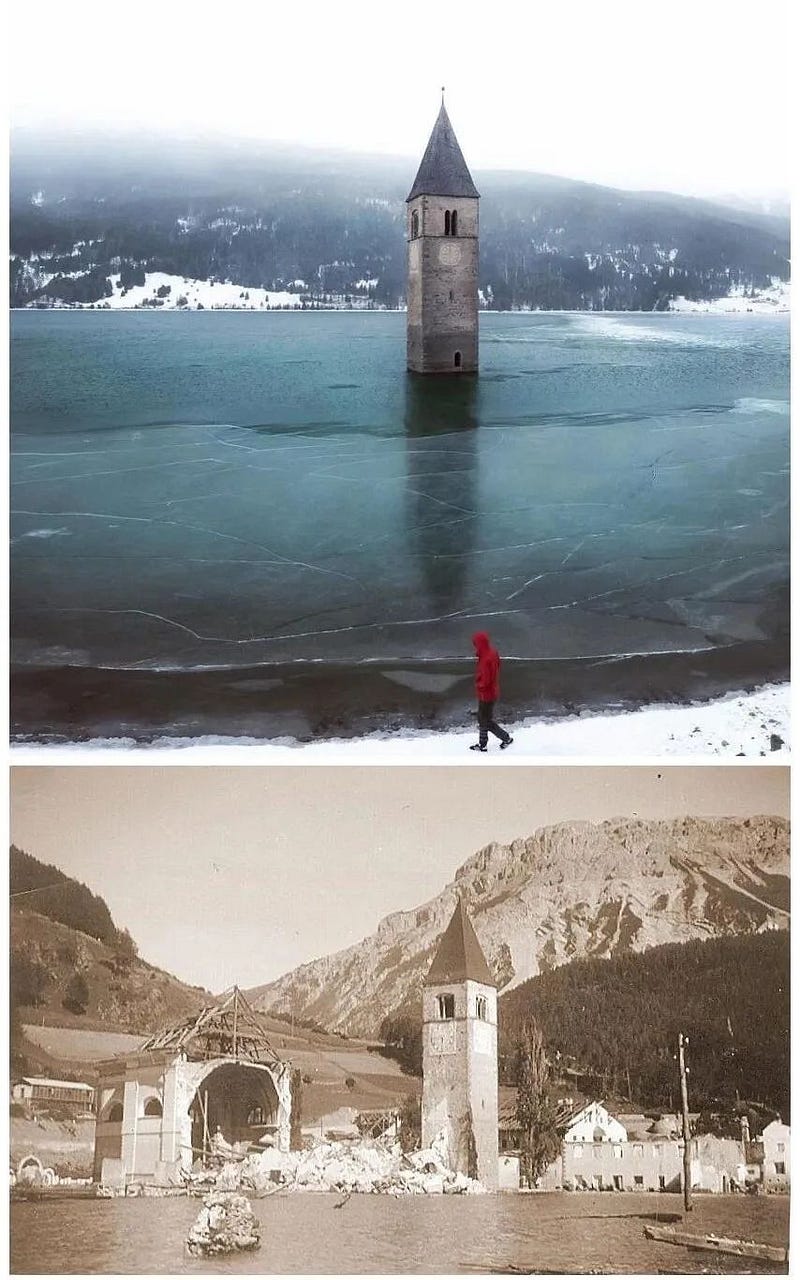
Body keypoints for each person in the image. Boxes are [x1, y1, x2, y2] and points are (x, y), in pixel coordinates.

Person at [470, 631, 513, 752]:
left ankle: (505, 738)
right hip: (492, 691)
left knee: (485, 721)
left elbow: (486, 680)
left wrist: (479, 685)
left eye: (475, 644)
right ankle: (483, 744)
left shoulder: (485, 660)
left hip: (486, 695)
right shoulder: (492, 653)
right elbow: (497, 666)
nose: (475, 646)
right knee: (483, 718)